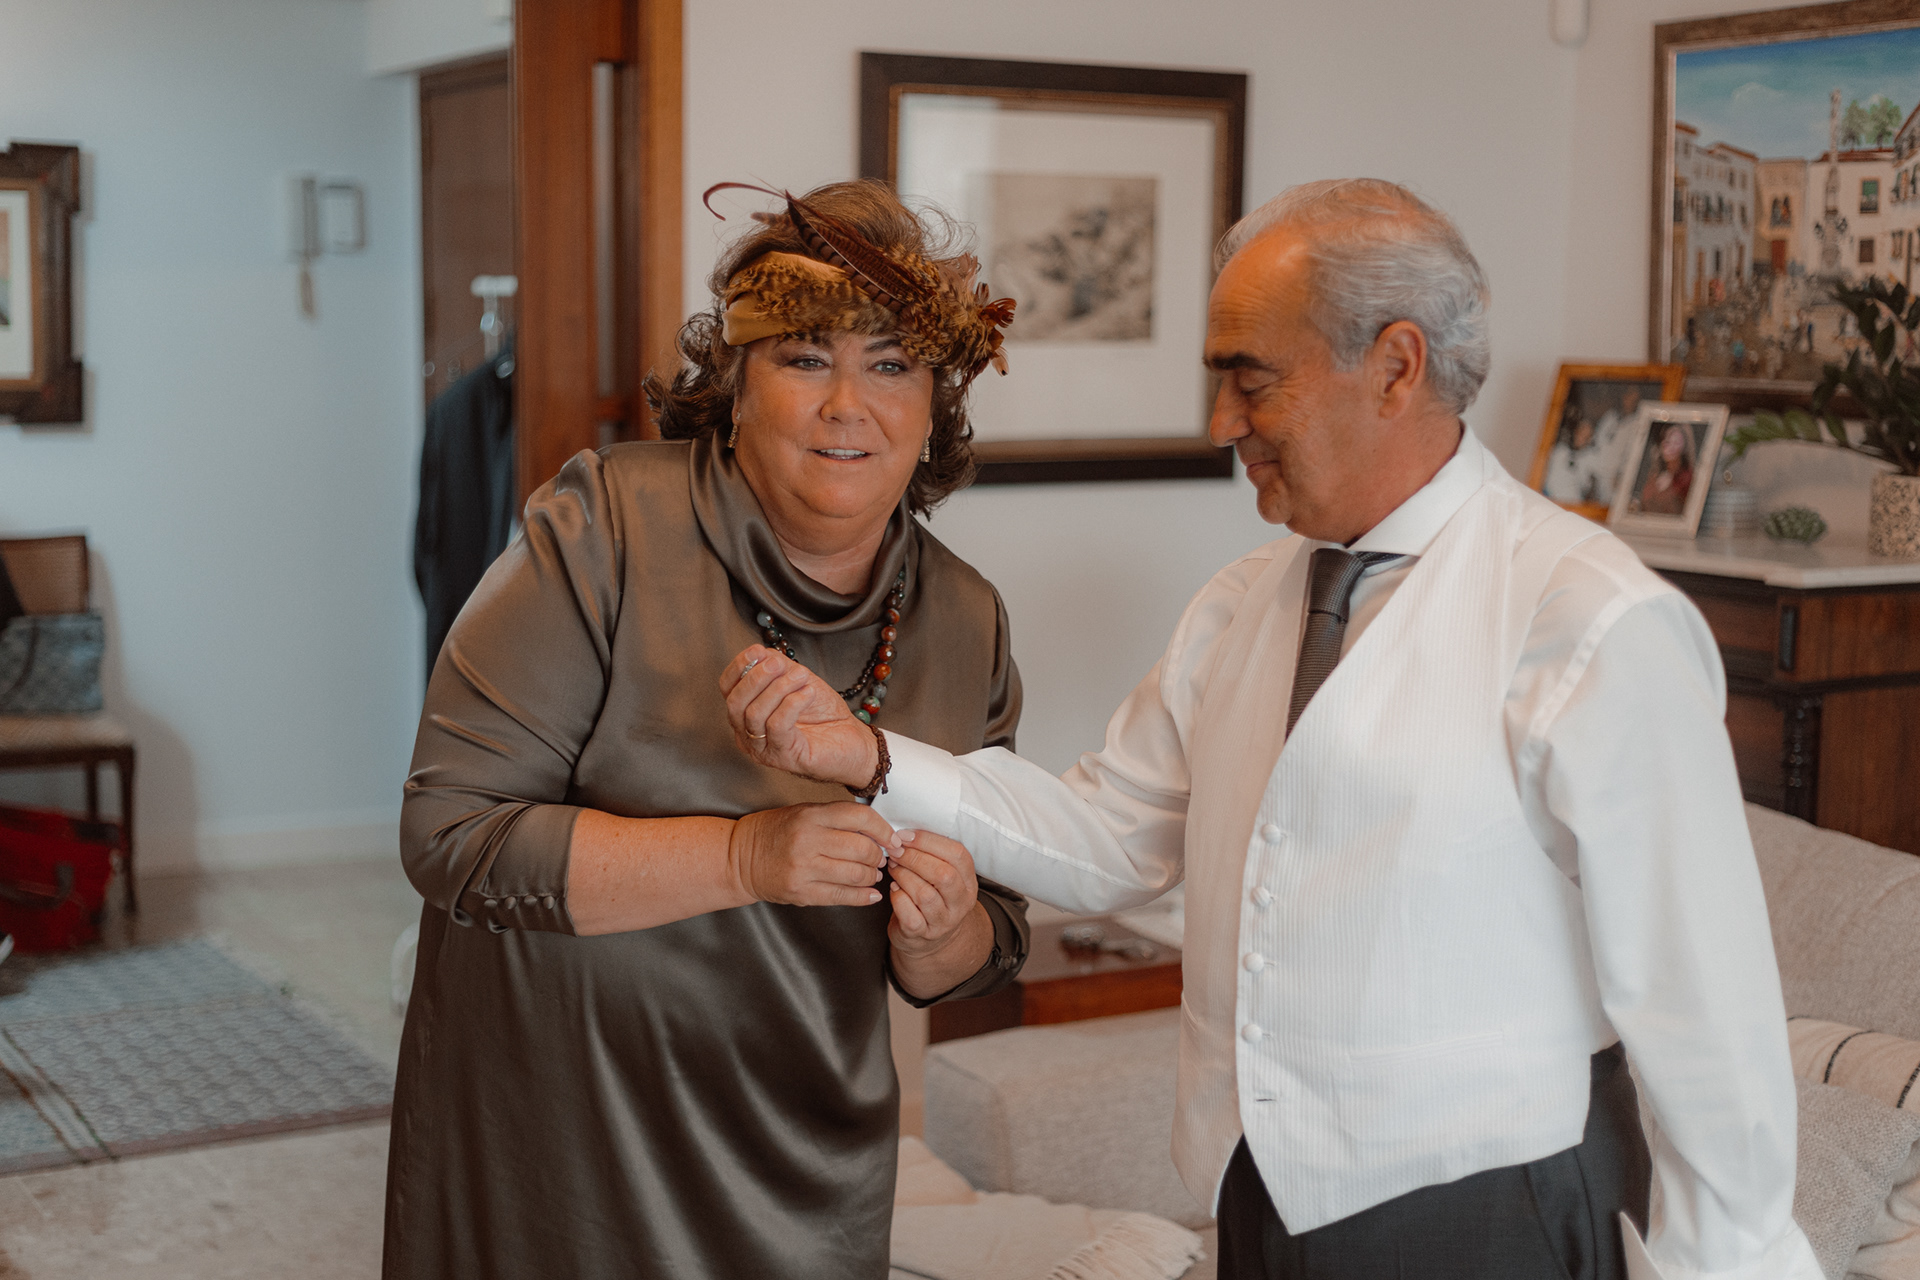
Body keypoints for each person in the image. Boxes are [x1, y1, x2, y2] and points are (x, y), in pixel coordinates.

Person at [724, 179, 1821, 1280]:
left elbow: (1703, 1006)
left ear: (1396, 366)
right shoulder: (1243, 601)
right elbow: (1108, 835)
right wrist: (868, 754)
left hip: (1491, 1213)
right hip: (1254, 1196)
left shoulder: (1587, 616)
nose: (1221, 423)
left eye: (1251, 379)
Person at [385, 179, 1030, 1279]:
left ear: (935, 407)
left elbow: (988, 946)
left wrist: (942, 933)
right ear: (734, 384)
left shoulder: (966, 620)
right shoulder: (603, 527)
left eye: (891, 366)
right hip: (559, 1138)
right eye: (805, 358)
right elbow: (451, 835)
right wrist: (745, 857)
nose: (848, 404)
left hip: (803, 1144)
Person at [1638, 422, 1694, 515]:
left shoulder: (1687, 479)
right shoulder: (1654, 477)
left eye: (1676, 442)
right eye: (1667, 441)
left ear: (1685, 447)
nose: (1671, 447)